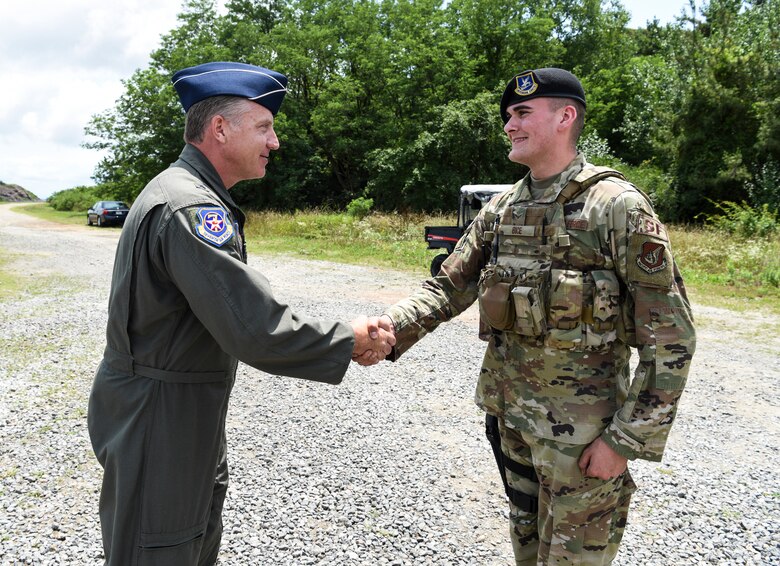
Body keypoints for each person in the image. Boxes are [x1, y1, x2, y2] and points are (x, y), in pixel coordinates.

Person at [376, 68, 696, 565]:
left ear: (565, 116)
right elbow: (447, 288)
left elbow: (671, 336)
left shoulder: (616, 208)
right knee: (527, 551)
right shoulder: (503, 208)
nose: (509, 125)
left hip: (583, 438)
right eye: (508, 116)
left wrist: (625, 439)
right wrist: (384, 332)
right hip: (513, 423)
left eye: (522, 113)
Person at [87, 61, 394, 566]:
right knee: (158, 548)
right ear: (220, 128)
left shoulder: (190, 193)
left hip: (178, 407)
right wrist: (349, 337)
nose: (274, 142)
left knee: (188, 538)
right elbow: (254, 327)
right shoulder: (189, 208)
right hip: (162, 413)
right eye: (264, 127)